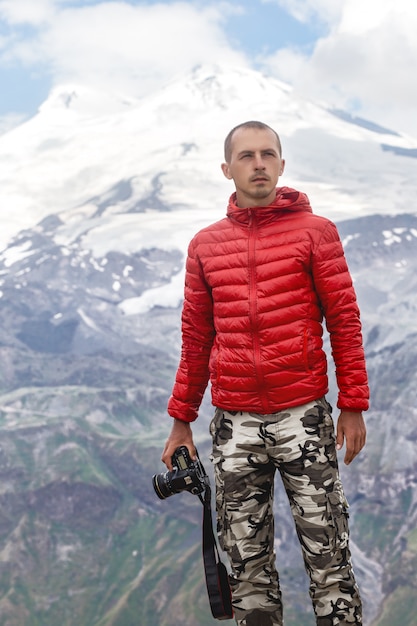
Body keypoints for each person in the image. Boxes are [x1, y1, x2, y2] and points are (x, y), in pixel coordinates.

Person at [162, 121, 369, 626]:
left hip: (305, 417)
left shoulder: (316, 233)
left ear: (281, 164)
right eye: (247, 155)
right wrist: (181, 419)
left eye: (268, 154)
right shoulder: (205, 246)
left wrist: (353, 405)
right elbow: (196, 338)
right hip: (234, 426)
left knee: (330, 560)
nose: (258, 163)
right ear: (227, 169)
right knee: (247, 569)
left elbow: (344, 319)